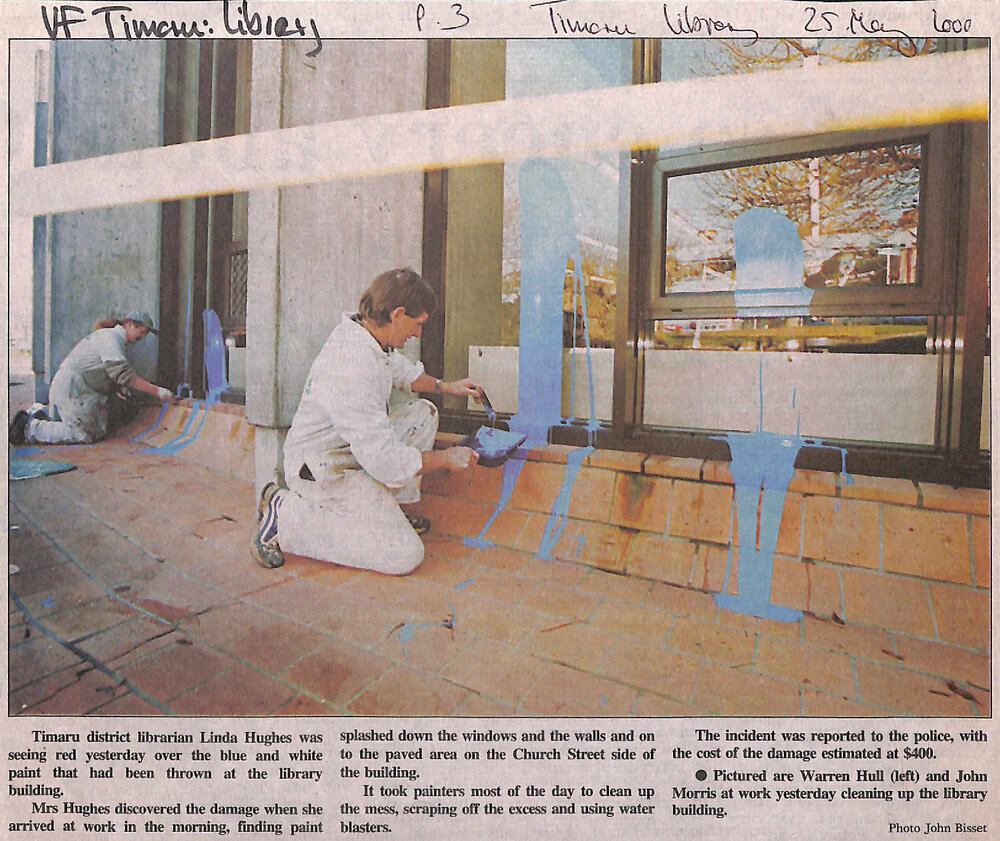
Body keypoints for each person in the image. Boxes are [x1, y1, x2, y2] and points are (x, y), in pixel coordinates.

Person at [251, 268, 481, 574]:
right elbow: (385, 460)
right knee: (404, 555)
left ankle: (388, 511)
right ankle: (284, 514)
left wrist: (447, 387)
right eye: (418, 324)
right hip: (324, 469)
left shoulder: (367, 336)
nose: (418, 333)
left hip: (351, 452)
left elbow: (402, 372)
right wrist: (447, 458)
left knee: (423, 413)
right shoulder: (353, 366)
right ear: (398, 314)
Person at [9, 311, 174, 446]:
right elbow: (124, 376)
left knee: (95, 427)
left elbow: (112, 375)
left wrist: (118, 389)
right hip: (72, 390)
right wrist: (159, 391)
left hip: (72, 389)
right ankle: (28, 427)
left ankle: (39, 413)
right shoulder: (110, 339)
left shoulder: (114, 340)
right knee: (82, 434)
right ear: (131, 325)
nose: (143, 337)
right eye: (142, 332)